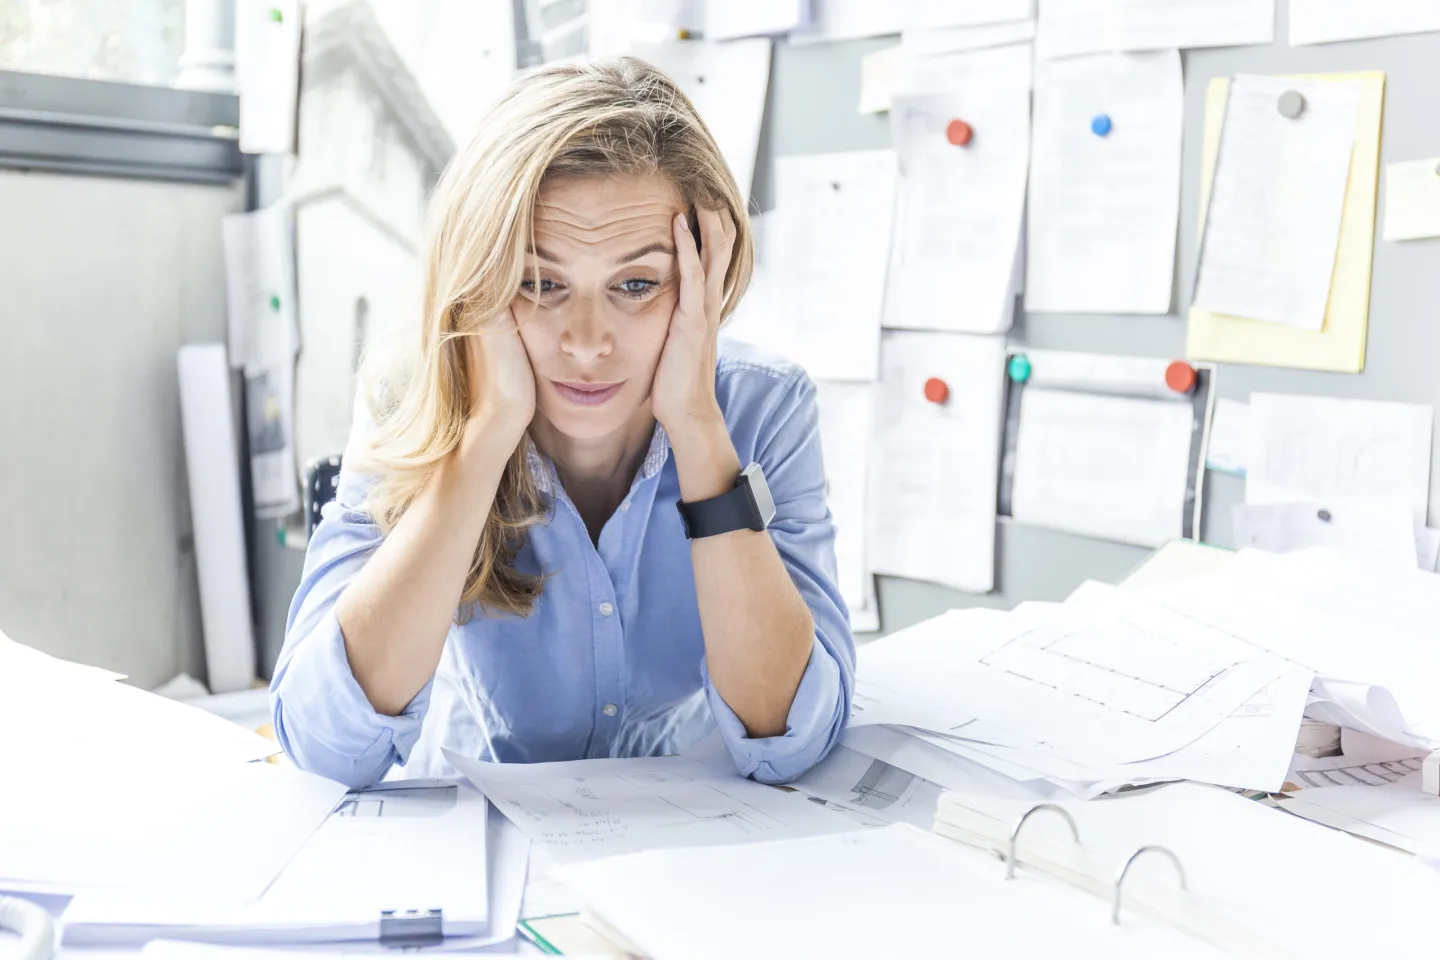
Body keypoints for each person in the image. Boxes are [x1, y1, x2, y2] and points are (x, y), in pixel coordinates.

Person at [270, 57, 855, 790]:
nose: (585, 342)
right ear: (479, 279)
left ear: (706, 276)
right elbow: (327, 745)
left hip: (685, 838)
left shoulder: (764, 409)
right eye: (540, 284)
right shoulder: (407, 396)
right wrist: (485, 435)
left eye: (636, 285)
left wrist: (700, 428)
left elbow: (789, 741)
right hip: (465, 826)